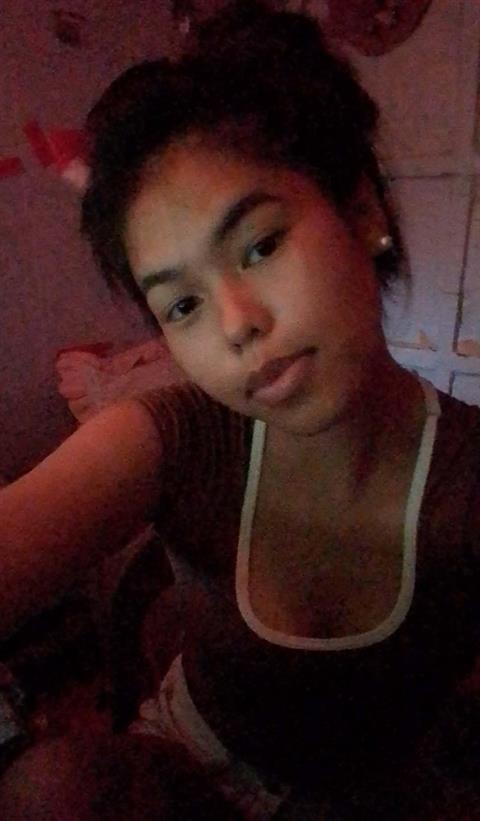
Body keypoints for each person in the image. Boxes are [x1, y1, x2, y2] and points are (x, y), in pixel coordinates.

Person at [0, 2, 479, 817]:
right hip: (185, 763)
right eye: (181, 305)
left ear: (362, 211)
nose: (235, 324)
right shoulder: (182, 435)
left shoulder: (466, 477)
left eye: (260, 245)